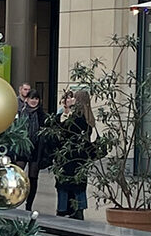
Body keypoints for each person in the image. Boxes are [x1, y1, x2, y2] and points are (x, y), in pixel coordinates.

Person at [47, 89, 94, 220]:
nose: (71, 100)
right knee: (79, 185)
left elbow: (64, 131)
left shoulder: (77, 118)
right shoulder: (87, 117)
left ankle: (64, 209)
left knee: (65, 185)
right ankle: (78, 209)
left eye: (73, 98)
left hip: (69, 158)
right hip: (80, 158)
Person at [16, 89, 47, 212]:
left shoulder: (42, 115)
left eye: (36, 98)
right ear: (26, 99)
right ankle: (16, 198)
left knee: (33, 178)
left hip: (36, 149)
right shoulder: (21, 113)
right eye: (31, 98)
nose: (34, 101)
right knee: (18, 174)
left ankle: (29, 205)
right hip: (22, 148)